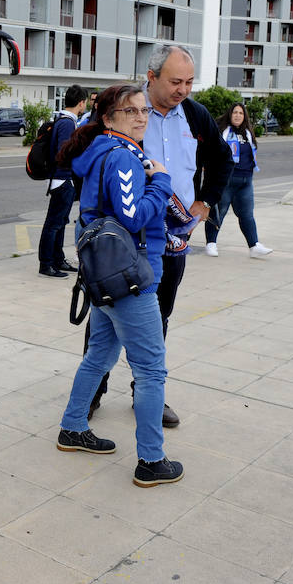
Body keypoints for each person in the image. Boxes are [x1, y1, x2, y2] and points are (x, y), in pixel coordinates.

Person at [87, 45, 232, 426]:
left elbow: (221, 160)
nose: (183, 89)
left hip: (172, 237)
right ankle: (93, 391)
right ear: (151, 78)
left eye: (188, 81)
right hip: (122, 239)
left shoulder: (195, 115)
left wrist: (205, 203)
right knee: (104, 313)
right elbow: (87, 157)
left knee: (159, 315)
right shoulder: (125, 108)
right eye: (175, 82)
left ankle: (147, 392)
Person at [55, 84, 183, 487]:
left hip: (106, 274)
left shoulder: (99, 154)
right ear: (109, 119)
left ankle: (73, 426)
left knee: (99, 355)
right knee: (150, 372)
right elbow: (131, 217)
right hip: (130, 277)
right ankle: (151, 460)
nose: (142, 117)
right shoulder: (124, 158)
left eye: (144, 110)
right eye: (131, 112)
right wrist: (161, 183)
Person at [205, 102, 272, 258]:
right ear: (230, 114)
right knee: (218, 213)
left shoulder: (248, 133)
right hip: (226, 180)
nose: (237, 115)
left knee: (247, 214)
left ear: (244, 116)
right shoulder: (222, 131)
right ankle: (211, 243)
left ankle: (254, 246)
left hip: (246, 180)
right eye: (235, 112)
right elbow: (210, 150)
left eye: (241, 113)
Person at [37, 84, 88, 278]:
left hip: (62, 179)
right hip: (63, 180)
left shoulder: (64, 120)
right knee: (54, 224)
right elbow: (64, 153)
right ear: (81, 103)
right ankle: (47, 264)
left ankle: (57, 260)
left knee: (58, 223)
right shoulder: (67, 123)